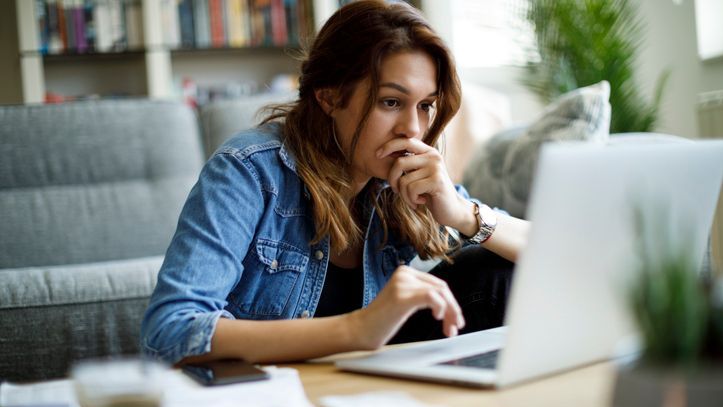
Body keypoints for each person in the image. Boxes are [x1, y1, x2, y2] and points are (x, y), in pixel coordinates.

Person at [140, 0, 530, 366]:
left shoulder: (398, 181)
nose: (413, 128)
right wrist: (358, 329)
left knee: (496, 271)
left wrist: (464, 215)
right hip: (276, 388)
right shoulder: (249, 170)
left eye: (425, 106)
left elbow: (552, 254)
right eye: (390, 102)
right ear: (328, 96)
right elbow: (169, 331)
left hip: (364, 379)